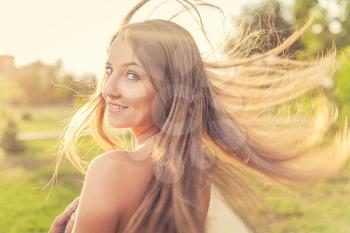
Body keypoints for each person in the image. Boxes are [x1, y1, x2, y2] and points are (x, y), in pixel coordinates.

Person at [47, 0, 350, 233]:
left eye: (132, 75)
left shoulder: (111, 169)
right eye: (109, 70)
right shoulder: (191, 173)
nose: (108, 88)